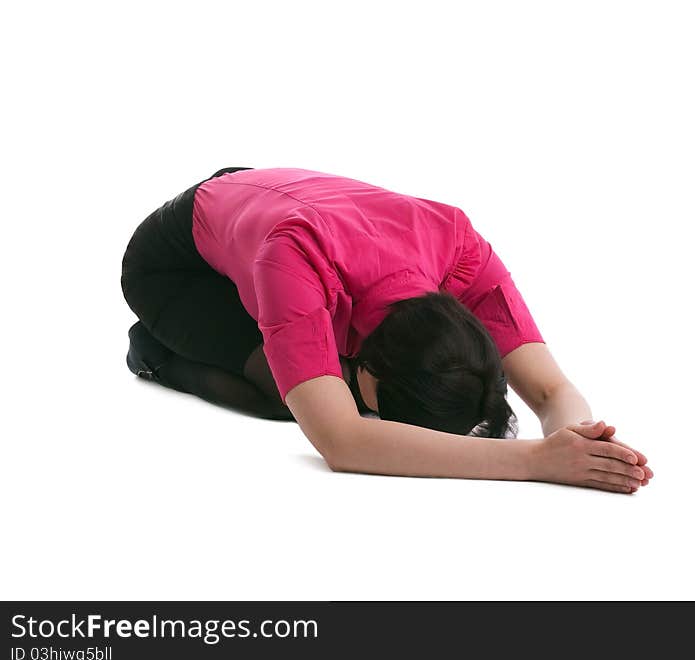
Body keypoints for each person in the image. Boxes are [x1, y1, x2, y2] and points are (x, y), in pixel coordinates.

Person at [120, 166, 653, 492]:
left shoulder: (456, 243)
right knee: (293, 400)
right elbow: (342, 440)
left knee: (323, 381)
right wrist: (537, 462)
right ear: (372, 365)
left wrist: (575, 441)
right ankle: (153, 349)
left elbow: (551, 388)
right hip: (179, 265)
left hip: (264, 207)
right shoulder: (296, 260)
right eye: (383, 407)